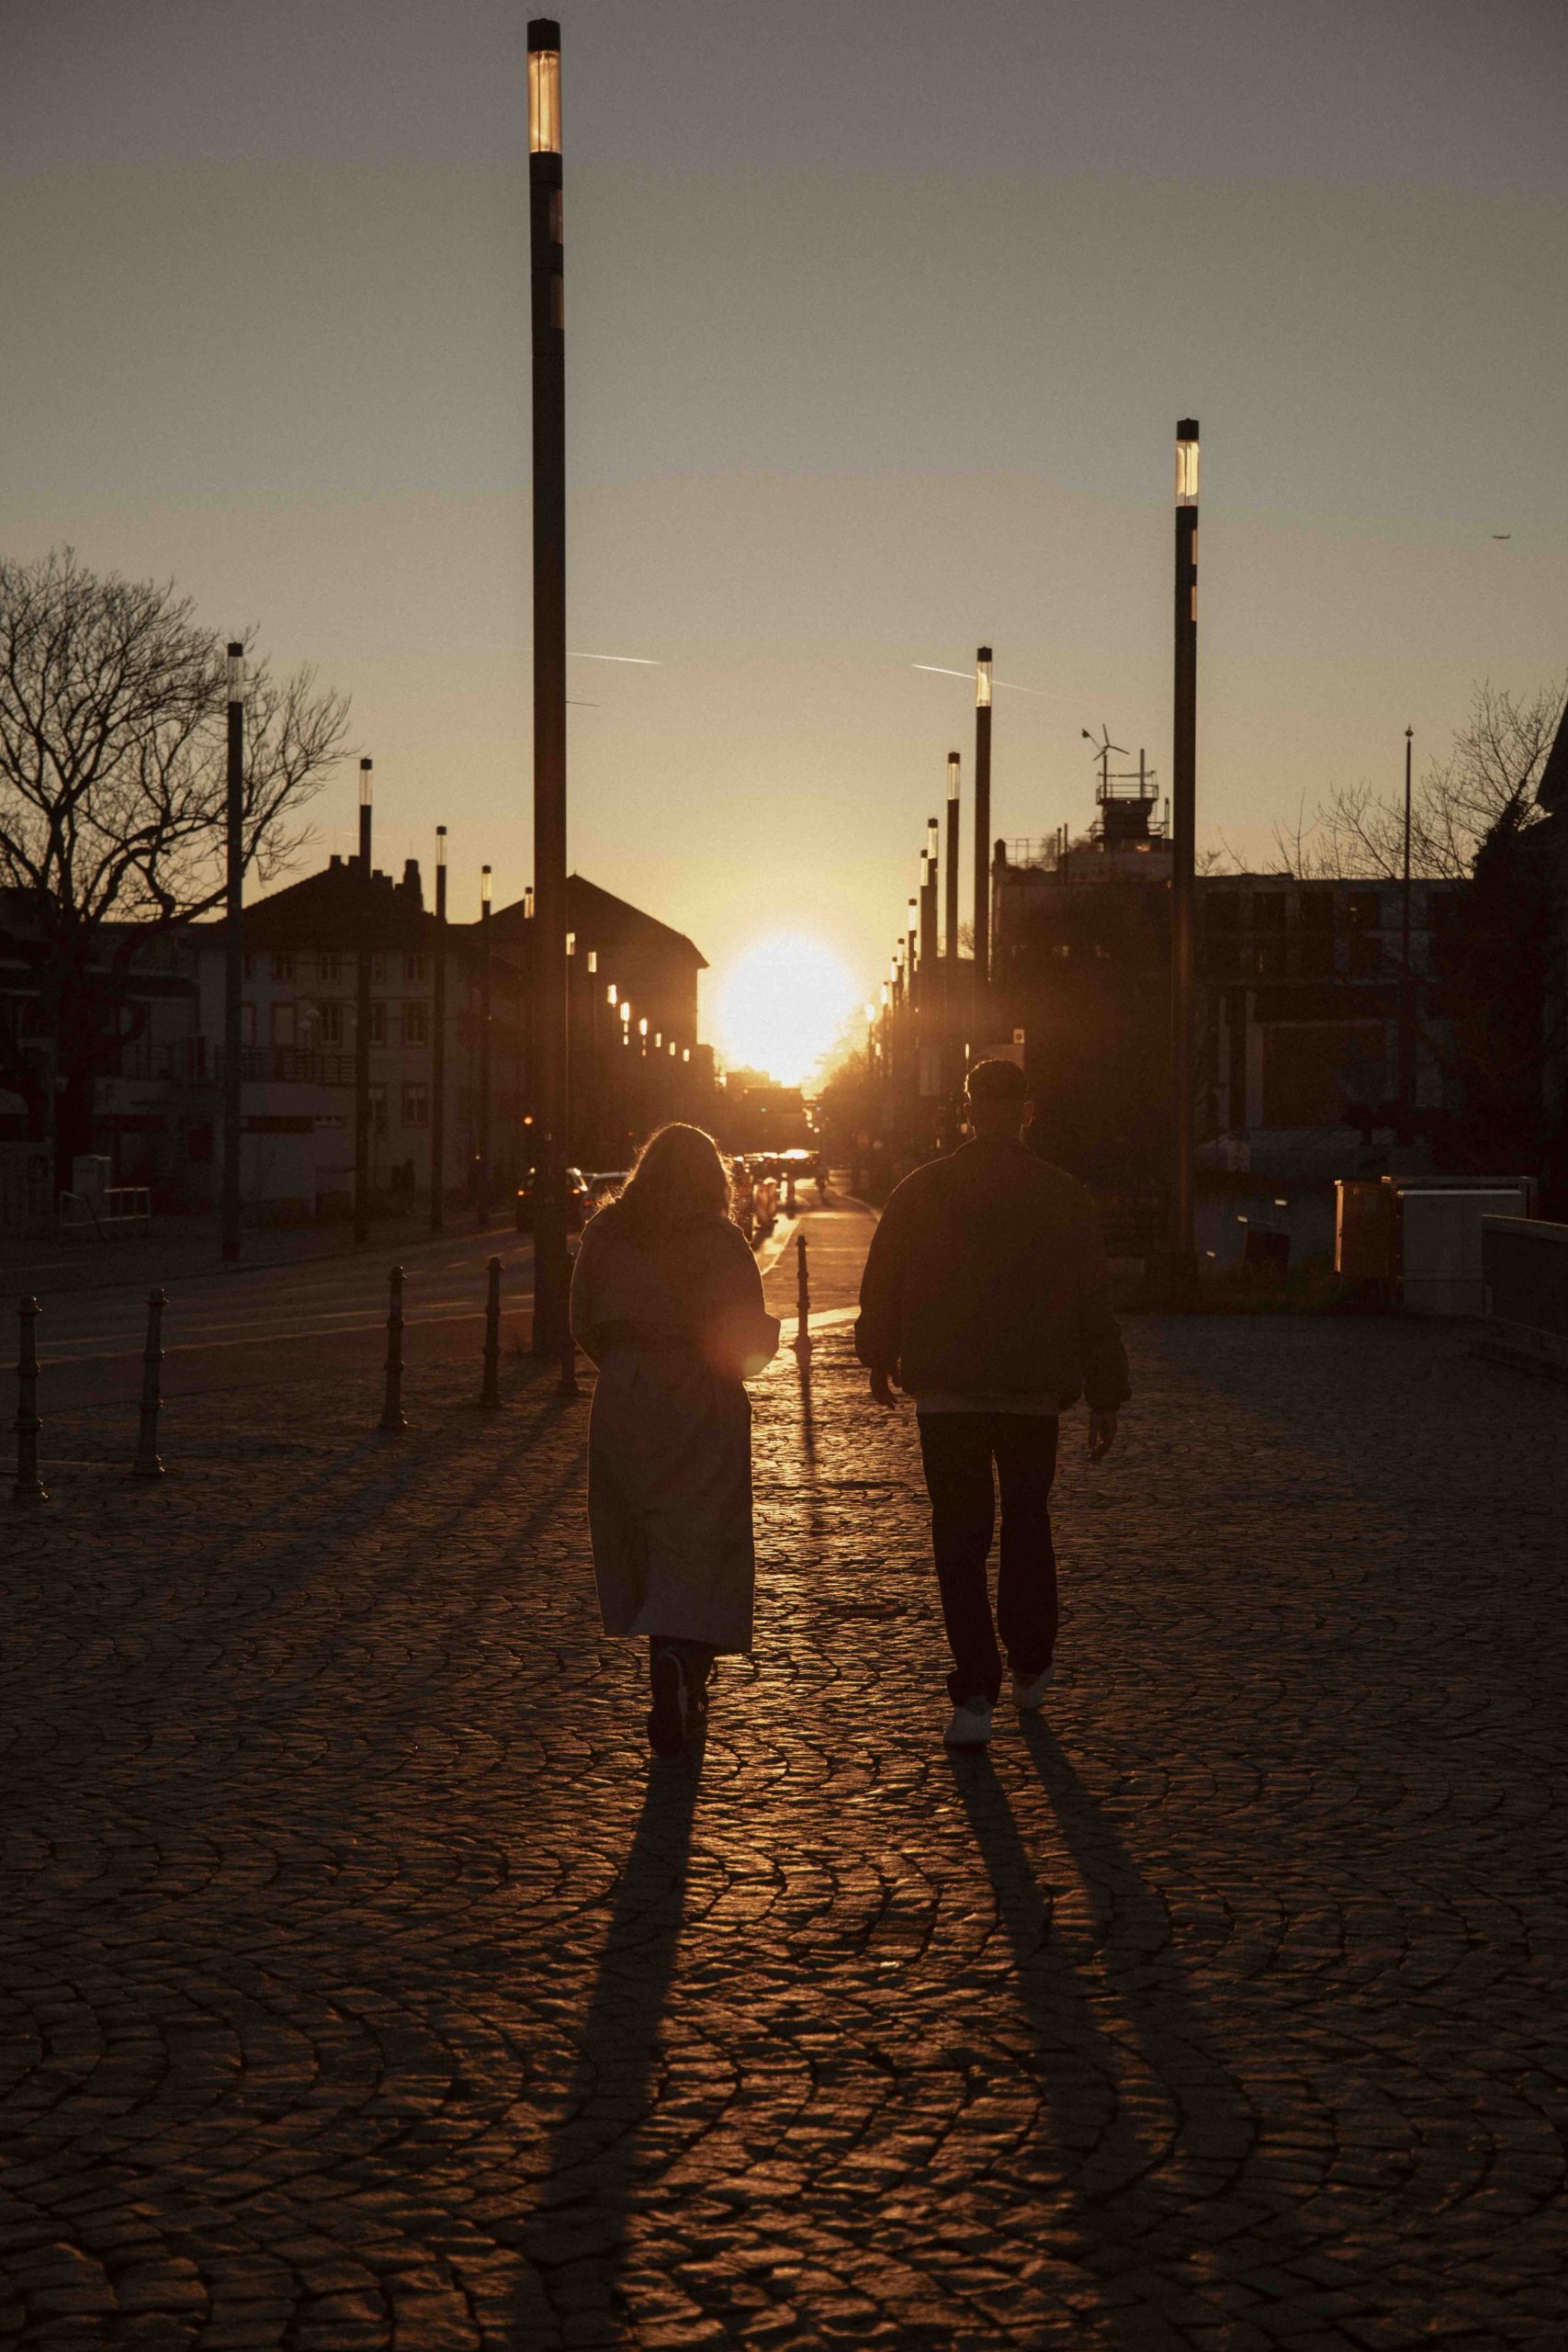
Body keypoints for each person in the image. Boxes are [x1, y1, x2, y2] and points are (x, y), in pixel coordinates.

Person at [855, 1058, 1130, 1748]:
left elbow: (883, 1277)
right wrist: (1105, 1393)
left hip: (947, 1388)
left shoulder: (922, 1190)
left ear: (968, 1110)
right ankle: (1031, 1661)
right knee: (1028, 1524)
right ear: (1026, 1112)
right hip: (1033, 1392)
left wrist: (878, 1356)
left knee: (959, 1536)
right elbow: (1092, 1300)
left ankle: (973, 1691)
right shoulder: (1062, 1194)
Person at [570, 1124, 781, 1757]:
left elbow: (584, 1319)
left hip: (628, 1389)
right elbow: (744, 1331)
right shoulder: (719, 1239)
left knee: (643, 1528)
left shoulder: (607, 1233)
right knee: (702, 1534)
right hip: (699, 1389)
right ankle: (685, 1661)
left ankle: (666, 1649)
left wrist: (627, 1364)